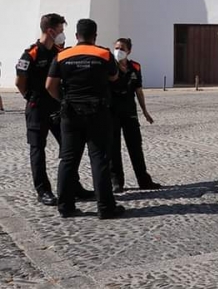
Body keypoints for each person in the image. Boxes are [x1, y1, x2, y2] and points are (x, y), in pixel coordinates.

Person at [46, 19, 125, 219]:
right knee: (99, 159)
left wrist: (64, 100)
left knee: (68, 160)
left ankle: (65, 206)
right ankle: (106, 208)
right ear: (95, 36)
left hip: (71, 113)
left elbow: (49, 85)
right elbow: (114, 77)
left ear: (76, 36)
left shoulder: (62, 55)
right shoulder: (104, 54)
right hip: (97, 112)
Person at [15, 14, 93, 206]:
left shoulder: (59, 52)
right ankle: (43, 190)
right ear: (50, 31)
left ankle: (73, 186)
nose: (62, 34)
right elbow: (19, 82)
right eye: (60, 30)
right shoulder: (31, 54)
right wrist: (30, 98)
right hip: (37, 108)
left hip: (57, 108)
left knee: (69, 148)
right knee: (37, 149)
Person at [108, 38, 160, 193]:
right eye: (116, 47)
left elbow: (138, 90)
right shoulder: (109, 66)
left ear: (129, 51)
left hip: (129, 111)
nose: (118, 51)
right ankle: (116, 182)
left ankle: (144, 180)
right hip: (112, 112)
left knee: (135, 146)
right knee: (113, 148)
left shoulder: (135, 67)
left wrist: (145, 111)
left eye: (122, 48)